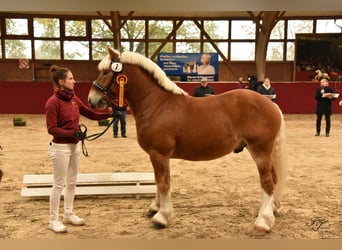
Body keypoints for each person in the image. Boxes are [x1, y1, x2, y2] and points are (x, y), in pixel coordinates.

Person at [45, 65, 112, 233]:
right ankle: (53, 220)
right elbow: (51, 129)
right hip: (60, 147)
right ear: (61, 82)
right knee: (59, 184)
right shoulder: (52, 103)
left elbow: (90, 113)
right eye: (70, 78)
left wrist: (110, 113)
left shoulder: (73, 99)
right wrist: (72, 133)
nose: (74, 81)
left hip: (74, 146)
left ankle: (68, 213)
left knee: (72, 182)